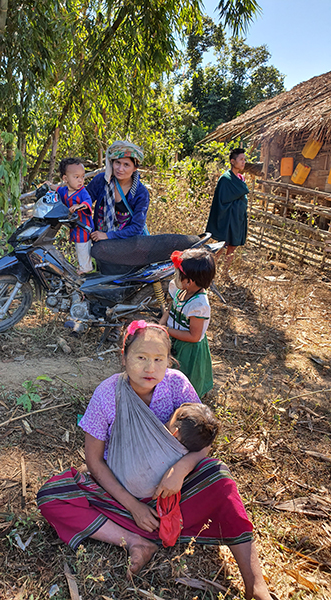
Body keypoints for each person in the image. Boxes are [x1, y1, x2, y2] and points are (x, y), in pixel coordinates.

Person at [37, 321, 272, 600]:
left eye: (159, 359)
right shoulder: (107, 395)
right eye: (141, 358)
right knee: (52, 495)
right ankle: (137, 540)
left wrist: (180, 470)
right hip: (121, 495)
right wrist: (134, 506)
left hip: (172, 495)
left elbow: (203, 439)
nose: (150, 368)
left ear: (168, 361)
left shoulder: (176, 385)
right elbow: (95, 462)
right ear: (123, 356)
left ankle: (255, 584)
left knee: (218, 475)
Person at [160, 248, 215, 398]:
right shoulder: (181, 291)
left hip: (188, 349)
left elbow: (194, 336)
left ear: (190, 281)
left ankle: (188, 398)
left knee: (185, 376)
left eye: (179, 275)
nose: (176, 277)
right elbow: (170, 309)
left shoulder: (199, 305)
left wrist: (167, 330)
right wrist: (161, 325)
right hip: (174, 339)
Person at [87, 140, 150, 241]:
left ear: (135, 168)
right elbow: (85, 200)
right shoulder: (101, 181)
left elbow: (137, 228)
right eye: (117, 163)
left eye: (126, 165)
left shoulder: (140, 193)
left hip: (128, 245)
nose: (120, 169)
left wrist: (108, 235)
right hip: (99, 242)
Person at [206, 148, 249, 275]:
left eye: (244, 160)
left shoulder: (240, 178)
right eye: (241, 159)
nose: (243, 162)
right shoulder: (225, 179)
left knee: (232, 247)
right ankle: (208, 271)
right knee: (221, 246)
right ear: (232, 161)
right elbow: (221, 200)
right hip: (228, 218)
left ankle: (225, 273)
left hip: (237, 218)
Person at [48, 158, 94, 274]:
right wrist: (49, 185)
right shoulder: (65, 191)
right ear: (65, 179)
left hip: (83, 226)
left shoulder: (82, 192)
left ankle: (86, 268)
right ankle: (82, 265)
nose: (81, 180)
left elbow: (87, 201)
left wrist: (80, 206)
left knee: (82, 246)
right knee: (78, 247)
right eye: (76, 177)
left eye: (82, 177)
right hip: (74, 226)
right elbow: (57, 189)